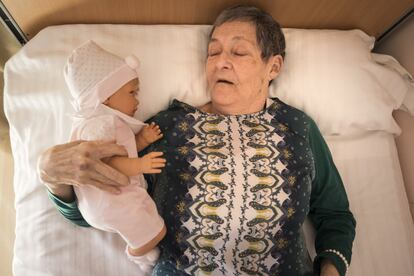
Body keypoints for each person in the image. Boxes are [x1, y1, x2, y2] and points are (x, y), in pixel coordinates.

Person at [38, 5, 356, 276]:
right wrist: (55, 177)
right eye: (213, 51)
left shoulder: (297, 127)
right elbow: (101, 207)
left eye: (239, 51)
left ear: (273, 66)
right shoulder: (166, 128)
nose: (220, 61)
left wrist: (330, 270)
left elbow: (336, 215)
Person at [62, 40, 167, 272]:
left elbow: (122, 150)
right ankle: (137, 255)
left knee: (150, 225)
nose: (138, 100)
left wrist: (143, 141)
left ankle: (142, 250)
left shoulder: (106, 123)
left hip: (104, 205)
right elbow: (108, 164)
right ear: (106, 97)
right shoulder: (100, 124)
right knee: (156, 231)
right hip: (110, 200)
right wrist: (140, 164)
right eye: (132, 92)